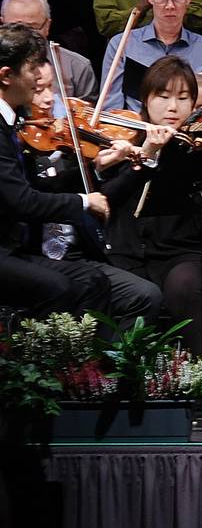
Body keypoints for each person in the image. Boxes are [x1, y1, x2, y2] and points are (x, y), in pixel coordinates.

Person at [23, 61, 162, 328]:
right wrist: (93, 169)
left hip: (79, 257)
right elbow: (36, 194)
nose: (49, 98)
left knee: (146, 296)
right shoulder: (17, 147)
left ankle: (104, 368)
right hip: (33, 259)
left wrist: (144, 158)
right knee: (81, 289)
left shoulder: (72, 145)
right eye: (38, 89)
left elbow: (106, 200)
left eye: (51, 87)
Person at [106, 56, 202, 356]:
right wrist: (144, 156)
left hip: (183, 252)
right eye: (164, 96)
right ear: (145, 98)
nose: (173, 107)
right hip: (127, 252)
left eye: (184, 98)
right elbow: (107, 199)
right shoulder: (122, 139)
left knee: (185, 286)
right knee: (134, 292)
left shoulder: (200, 146)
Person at [0, 23, 111, 318]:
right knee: (59, 288)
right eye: (32, 70)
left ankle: (85, 366)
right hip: (4, 249)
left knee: (92, 281)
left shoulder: (9, 121)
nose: (39, 78)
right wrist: (85, 201)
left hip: (11, 247)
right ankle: (38, 363)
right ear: (6, 76)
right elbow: (21, 201)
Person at [100, 0, 202, 113]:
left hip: (188, 133)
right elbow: (111, 108)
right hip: (137, 132)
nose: (169, 5)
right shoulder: (121, 44)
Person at [1, 0, 97, 101]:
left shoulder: (77, 66)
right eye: (16, 28)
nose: (25, 37)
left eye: (32, 28)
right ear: (2, 25)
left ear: (47, 26)